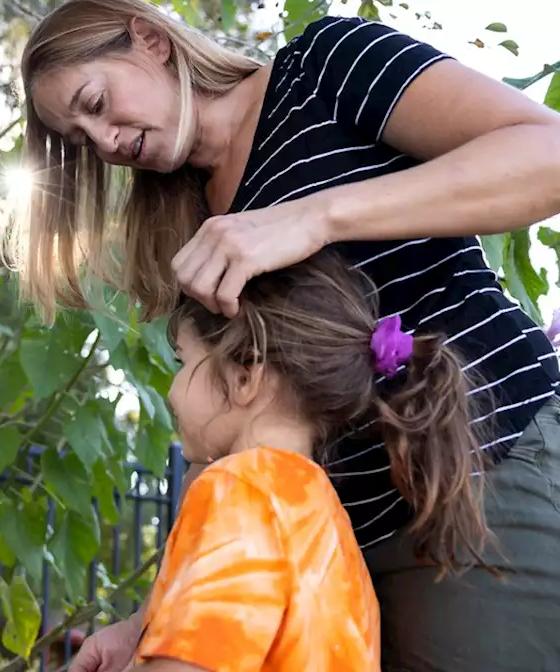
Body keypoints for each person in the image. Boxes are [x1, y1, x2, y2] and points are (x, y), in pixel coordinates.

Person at [14, 1, 560, 670]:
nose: (100, 141)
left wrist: (316, 217)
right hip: (330, 555)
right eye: (78, 138)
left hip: (483, 486)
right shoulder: (183, 216)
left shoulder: (323, 68)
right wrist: (155, 612)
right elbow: (237, 429)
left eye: (95, 101)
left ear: (151, 40)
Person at [130, 251, 489, 672]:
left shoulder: (242, 490)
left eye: (182, 360)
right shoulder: (329, 523)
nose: (171, 389)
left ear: (245, 377)